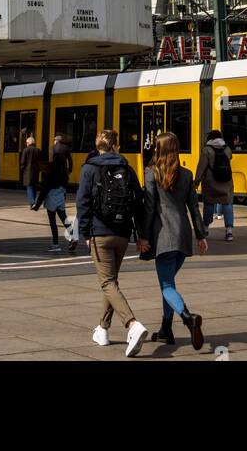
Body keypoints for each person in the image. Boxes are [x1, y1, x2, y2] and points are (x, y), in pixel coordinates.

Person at [75, 128, 149, 356]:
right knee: (111, 282)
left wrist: (85, 234)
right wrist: (142, 236)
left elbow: (82, 203)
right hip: (123, 234)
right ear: (116, 145)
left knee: (107, 283)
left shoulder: (89, 169)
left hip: (100, 233)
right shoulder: (127, 169)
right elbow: (139, 204)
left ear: (98, 146)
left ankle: (132, 325)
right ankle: (103, 330)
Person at [143, 131, 208, 350]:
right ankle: (165, 329)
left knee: (167, 285)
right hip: (183, 237)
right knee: (169, 283)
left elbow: (150, 208)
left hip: (163, 237)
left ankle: (188, 317)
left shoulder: (151, 173)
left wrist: (142, 236)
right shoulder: (187, 175)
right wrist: (200, 236)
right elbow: (193, 208)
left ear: (158, 150)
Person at [194, 128, 235, 242]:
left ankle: (206, 228)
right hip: (226, 182)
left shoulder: (206, 150)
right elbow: (230, 158)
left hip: (210, 182)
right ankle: (229, 231)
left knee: (209, 204)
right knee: (227, 204)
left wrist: (196, 181)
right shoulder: (227, 149)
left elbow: (201, 167)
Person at [40, 140, 76, 253]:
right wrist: (70, 169)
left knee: (52, 221)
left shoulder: (50, 168)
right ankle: (73, 236)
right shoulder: (64, 173)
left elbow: (45, 186)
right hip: (60, 196)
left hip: (51, 198)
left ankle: (55, 244)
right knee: (64, 218)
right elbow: (70, 160)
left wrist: (37, 203)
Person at [19, 135, 41, 206]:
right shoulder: (38, 150)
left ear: (28, 143)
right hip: (36, 172)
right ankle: (32, 203)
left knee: (29, 187)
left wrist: (22, 169)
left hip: (27, 172)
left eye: (26, 143)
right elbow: (41, 162)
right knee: (34, 187)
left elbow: (23, 162)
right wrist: (39, 170)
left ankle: (32, 202)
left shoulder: (25, 150)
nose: (26, 144)